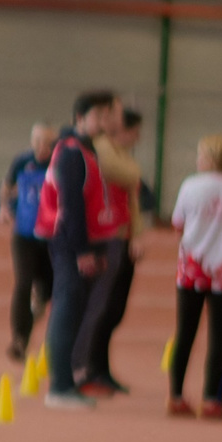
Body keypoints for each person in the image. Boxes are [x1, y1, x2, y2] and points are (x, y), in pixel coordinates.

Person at [36, 89, 125, 410]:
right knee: (66, 306)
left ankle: (66, 381)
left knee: (74, 308)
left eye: (106, 115)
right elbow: (70, 205)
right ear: (80, 118)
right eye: (97, 116)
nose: (104, 121)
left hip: (82, 241)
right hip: (69, 243)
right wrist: (82, 251)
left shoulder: (87, 150)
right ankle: (59, 386)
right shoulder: (72, 153)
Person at [167, 134, 222, 419]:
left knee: (185, 332)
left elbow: (178, 224)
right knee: (219, 336)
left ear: (208, 158)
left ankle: (176, 395)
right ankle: (212, 398)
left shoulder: (190, 185)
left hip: (192, 268)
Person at [76, 102, 147, 395]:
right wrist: (132, 172)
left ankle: (100, 368)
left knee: (113, 309)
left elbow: (133, 195)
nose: (137, 139)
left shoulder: (120, 153)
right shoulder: (104, 148)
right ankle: (87, 368)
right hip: (106, 234)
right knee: (101, 307)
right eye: (135, 132)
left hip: (122, 233)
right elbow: (129, 175)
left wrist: (137, 234)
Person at [2, 122, 57, 362]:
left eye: (47, 143)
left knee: (48, 288)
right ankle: (19, 339)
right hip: (24, 234)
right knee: (23, 282)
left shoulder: (59, 164)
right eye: (37, 142)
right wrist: (5, 208)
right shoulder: (22, 161)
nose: (42, 147)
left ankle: (39, 304)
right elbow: (7, 187)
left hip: (51, 237)